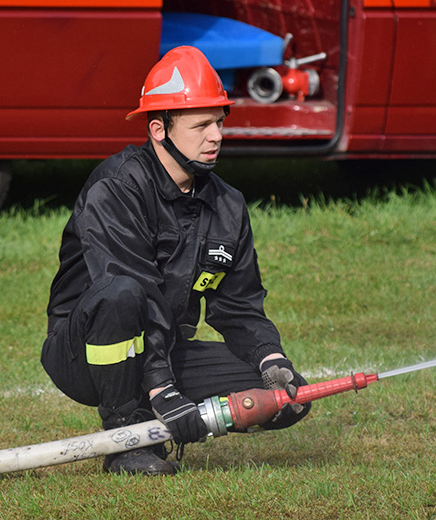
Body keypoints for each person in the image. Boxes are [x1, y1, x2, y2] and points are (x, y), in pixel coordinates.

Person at [40, 46, 310, 476]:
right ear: (158, 129)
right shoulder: (116, 187)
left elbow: (239, 306)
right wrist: (162, 386)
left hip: (163, 347)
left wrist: (271, 360)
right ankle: (126, 439)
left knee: (279, 402)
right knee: (122, 293)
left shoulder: (228, 204)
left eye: (219, 123)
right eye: (201, 125)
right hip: (85, 352)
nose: (216, 136)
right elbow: (130, 292)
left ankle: (164, 420)